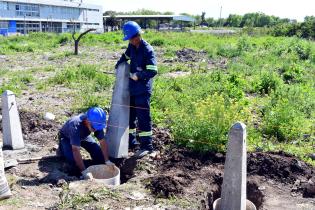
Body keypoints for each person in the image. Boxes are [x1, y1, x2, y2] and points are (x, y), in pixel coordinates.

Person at [115, 21, 158, 158]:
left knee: (143, 117)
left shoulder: (148, 50)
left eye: (131, 39)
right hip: (132, 88)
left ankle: (146, 146)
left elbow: (153, 71)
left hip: (142, 90)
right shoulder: (132, 46)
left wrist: (138, 75)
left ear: (137, 36)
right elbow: (126, 56)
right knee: (131, 116)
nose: (131, 42)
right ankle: (131, 141)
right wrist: (119, 65)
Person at [58, 107, 114, 173]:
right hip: (67, 138)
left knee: (99, 154)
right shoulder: (75, 126)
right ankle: (61, 150)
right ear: (87, 121)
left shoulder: (97, 123)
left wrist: (107, 160)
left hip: (84, 136)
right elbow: (75, 150)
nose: (95, 130)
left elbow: (102, 141)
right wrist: (84, 171)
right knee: (73, 161)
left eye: (97, 128)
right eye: (93, 128)